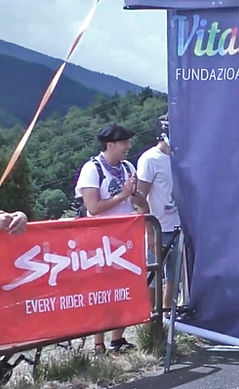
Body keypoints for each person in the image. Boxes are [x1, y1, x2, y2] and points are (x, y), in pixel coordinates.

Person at [75, 124, 145, 354]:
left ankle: (118, 339)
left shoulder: (127, 167)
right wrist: (122, 195)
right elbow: (93, 207)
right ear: (111, 145)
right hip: (99, 243)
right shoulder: (92, 169)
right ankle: (98, 343)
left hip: (125, 240)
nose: (128, 146)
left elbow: (134, 200)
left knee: (124, 288)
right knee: (102, 291)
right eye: (124, 142)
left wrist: (136, 197)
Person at [136, 114, 181, 314]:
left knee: (173, 277)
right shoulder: (149, 159)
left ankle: (167, 318)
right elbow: (139, 197)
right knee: (153, 278)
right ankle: (151, 322)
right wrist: (150, 232)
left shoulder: (181, 158)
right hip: (159, 228)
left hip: (179, 226)